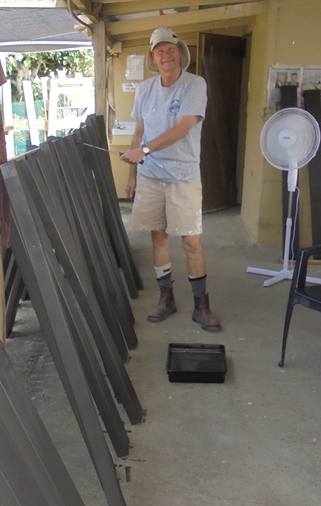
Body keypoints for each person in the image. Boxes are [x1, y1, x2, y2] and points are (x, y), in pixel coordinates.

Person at [120, 26, 221, 332]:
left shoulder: (194, 85)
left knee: (191, 241)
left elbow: (182, 127)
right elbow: (139, 132)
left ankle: (201, 306)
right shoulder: (144, 89)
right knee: (159, 237)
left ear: (180, 53)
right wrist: (133, 173)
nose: (166, 55)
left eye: (170, 49)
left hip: (183, 176)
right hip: (150, 175)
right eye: (159, 51)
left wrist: (143, 150)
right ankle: (167, 298)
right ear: (153, 58)